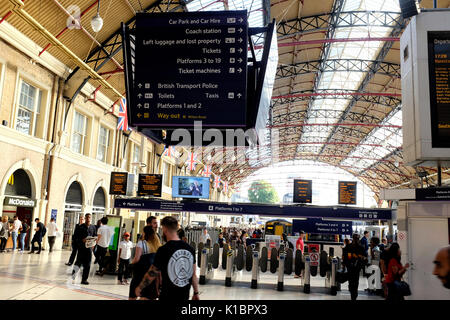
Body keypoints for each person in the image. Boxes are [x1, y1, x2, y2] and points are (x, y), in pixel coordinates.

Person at [135, 216, 199, 301]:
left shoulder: (163, 250)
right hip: (184, 296)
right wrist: (196, 293)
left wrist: (140, 287)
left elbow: (152, 273)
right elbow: (193, 274)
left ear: (164, 229)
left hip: (167, 296)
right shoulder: (190, 249)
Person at [129, 226, 161, 300]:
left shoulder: (141, 243)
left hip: (140, 274)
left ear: (144, 233)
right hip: (151, 275)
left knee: (133, 295)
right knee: (146, 296)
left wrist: (131, 264)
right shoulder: (157, 245)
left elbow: (137, 258)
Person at [72, 213, 97, 285]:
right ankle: (73, 275)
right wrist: (81, 240)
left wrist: (94, 243)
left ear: (91, 218)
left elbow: (95, 236)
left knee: (88, 264)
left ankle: (84, 279)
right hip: (81, 248)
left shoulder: (93, 227)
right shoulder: (80, 227)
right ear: (85, 218)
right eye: (87, 217)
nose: (88, 219)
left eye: (89, 217)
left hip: (89, 249)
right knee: (78, 263)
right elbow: (75, 237)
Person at [343, 233, 366, 300]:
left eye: (357, 238)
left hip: (354, 267)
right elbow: (345, 256)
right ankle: (353, 291)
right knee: (353, 280)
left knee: (354, 281)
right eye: (355, 238)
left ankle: (353, 293)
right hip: (352, 266)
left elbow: (364, 257)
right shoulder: (351, 246)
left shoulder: (359, 247)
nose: (356, 239)